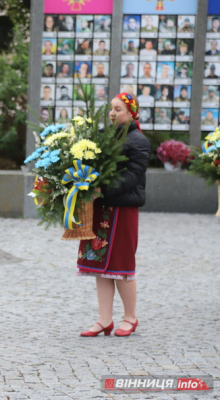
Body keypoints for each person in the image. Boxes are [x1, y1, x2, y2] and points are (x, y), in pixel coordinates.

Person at [78, 93, 151, 338]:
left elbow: (132, 177)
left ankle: (130, 317)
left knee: (122, 267)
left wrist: (102, 189)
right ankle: (104, 320)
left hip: (122, 209)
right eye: (111, 109)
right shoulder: (104, 137)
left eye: (118, 109)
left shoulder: (138, 140)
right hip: (101, 207)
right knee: (100, 267)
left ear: (131, 112)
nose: (112, 113)